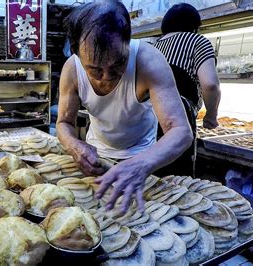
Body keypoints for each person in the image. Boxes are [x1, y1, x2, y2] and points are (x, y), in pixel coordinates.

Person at [56, 1, 193, 213]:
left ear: (127, 43)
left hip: (142, 159)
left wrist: (142, 164)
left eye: (117, 65)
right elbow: (64, 122)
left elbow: (181, 131)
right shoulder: (72, 69)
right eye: (95, 70)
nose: (106, 77)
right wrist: (75, 146)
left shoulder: (148, 61)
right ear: (76, 52)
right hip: (96, 160)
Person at [154, 3, 221, 177]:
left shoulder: (155, 46)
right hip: (178, 116)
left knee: (151, 176)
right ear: (195, 26)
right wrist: (211, 115)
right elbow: (210, 84)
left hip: (148, 114)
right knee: (176, 180)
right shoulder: (198, 41)